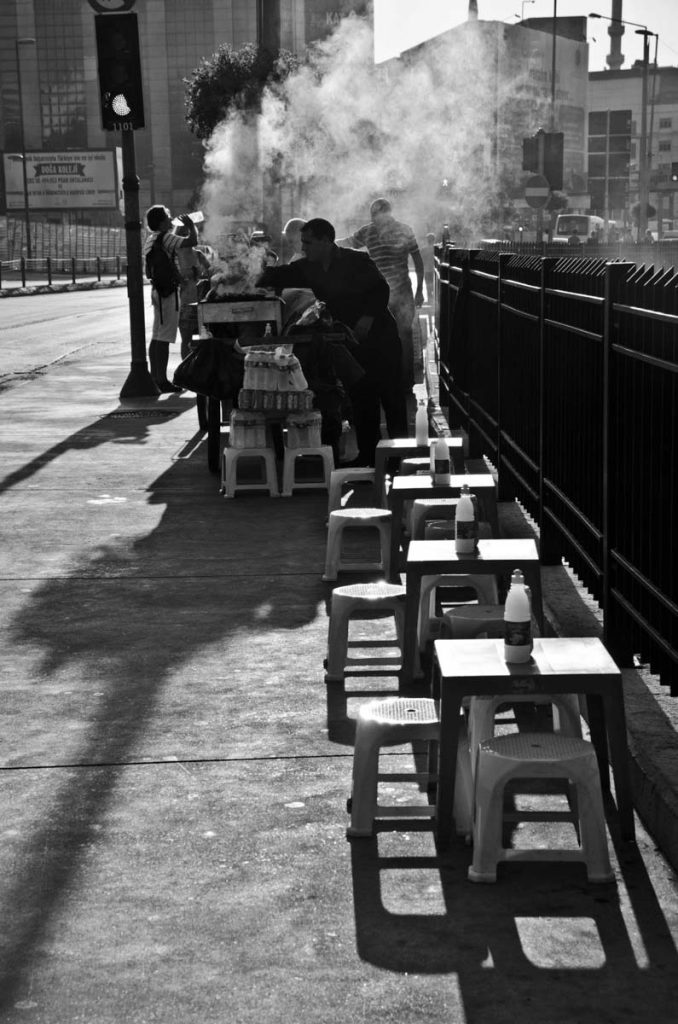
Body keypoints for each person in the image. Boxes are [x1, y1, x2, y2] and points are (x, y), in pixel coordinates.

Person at [257, 217, 408, 466]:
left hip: (381, 338)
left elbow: (381, 289)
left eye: (308, 242)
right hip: (352, 342)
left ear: (326, 241)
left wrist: (367, 319)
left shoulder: (356, 260)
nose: (303, 248)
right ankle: (369, 457)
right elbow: (279, 275)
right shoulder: (310, 267)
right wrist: (247, 272)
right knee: (362, 398)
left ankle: (401, 459)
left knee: (391, 398)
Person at [339, 198, 424, 390]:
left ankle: (404, 381)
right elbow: (346, 243)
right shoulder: (368, 231)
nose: (375, 218)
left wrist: (419, 291)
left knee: (404, 335)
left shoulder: (403, 230)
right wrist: (327, 242)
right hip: (381, 293)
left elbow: (418, 261)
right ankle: (394, 379)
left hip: (398, 292)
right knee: (392, 336)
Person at [143, 204, 198, 392]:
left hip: (157, 290)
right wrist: (191, 225)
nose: (170, 219)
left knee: (157, 336)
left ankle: (154, 376)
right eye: (167, 217)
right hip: (168, 293)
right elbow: (192, 241)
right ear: (161, 221)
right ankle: (162, 380)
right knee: (165, 337)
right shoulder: (166, 237)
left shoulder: (151, 239)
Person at [175, 230, 212, 360]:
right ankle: (186, 366)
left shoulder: (198, 255)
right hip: (185, 303)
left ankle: (194, 366)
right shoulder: (175, 256)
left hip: (200, 303)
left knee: (198, 338)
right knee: (187, 339)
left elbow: (211, 271)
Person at [422, 232, 436, 305]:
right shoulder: (436, 249)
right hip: (434, 271)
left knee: (428, 286)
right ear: (434, 240)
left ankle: (430, 301)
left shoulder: (424, 250)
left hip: (427, 270)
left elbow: (422, 261)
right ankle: (435, 301)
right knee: (435, 286)